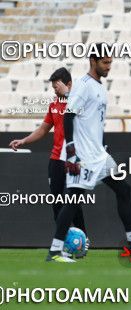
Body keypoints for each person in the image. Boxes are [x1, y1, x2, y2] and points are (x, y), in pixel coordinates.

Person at [46, 43, 131, 263]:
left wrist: (102, 146)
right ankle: (55, 251)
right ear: (93, 61)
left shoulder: (100, 87)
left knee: (124, 188)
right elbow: (69, 117)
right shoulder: (83, 85)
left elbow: (94, 123)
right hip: (83, 155)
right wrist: (71, 152)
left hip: (100, 155)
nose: (109, 66)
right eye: (105, 62)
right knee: (72, 201)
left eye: (110, 62)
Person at [9, 67, 89, 257]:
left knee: (73, 201)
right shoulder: (54, 104)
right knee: (57, 202)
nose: (54, 91)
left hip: (74, 159)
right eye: (53, 88)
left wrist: (69, 95)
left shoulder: (79, 101)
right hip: (55, 160)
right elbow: (44, 129)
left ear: (68, 84)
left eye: (56, 87)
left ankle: (83, 240)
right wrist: (24, 141)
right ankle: (61, 243)